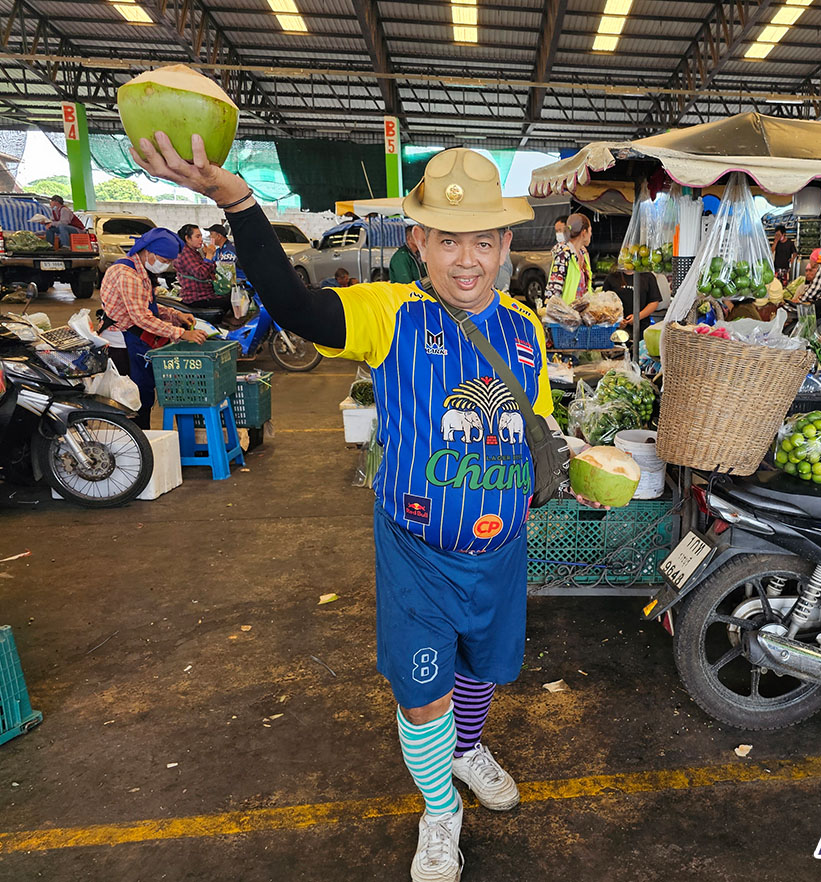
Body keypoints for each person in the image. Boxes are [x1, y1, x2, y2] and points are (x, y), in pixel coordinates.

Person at [130, 134, 603, 882]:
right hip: (416, 551)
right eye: (448, 240)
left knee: (482, 669)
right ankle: (439, 810)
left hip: (501, 547)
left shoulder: (525, 328)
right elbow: (294, 304)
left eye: (483, 240)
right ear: (419, 242)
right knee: (423, 693)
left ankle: (468, 750)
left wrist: (567, 465)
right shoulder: (391, 314)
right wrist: (236, 199)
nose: (468, 260)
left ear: (507, 243)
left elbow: (535, 420)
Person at [98, 228, 207, 428]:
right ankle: (137, 439)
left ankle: (144, 437)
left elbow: (146, 304)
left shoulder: (142, 272)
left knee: (143, 394)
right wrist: (182, 333)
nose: (165, 265)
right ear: (148, 252)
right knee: (131, 399)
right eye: (164, 260)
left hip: (138, 340)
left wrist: (175, 315)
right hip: (122, 343)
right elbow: (141, 317)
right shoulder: (126, 274)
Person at [545, 212, 592, 303]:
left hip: (581, 310)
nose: (591, 234)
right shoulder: (563, 254)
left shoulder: (583, 255)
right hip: (565, 310)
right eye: (590, 231)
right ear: (584, 232)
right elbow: (553, 292)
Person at [175, 223, 226, 307]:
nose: (201, 240)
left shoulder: (195, 252)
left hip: (207, 294)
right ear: (187, 238)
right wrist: (209, 256)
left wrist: (206, 256)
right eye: (197, 237)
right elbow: (201, 274)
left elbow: (211, 270)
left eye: (201, 236)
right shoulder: (185, 253)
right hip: (197, 298)